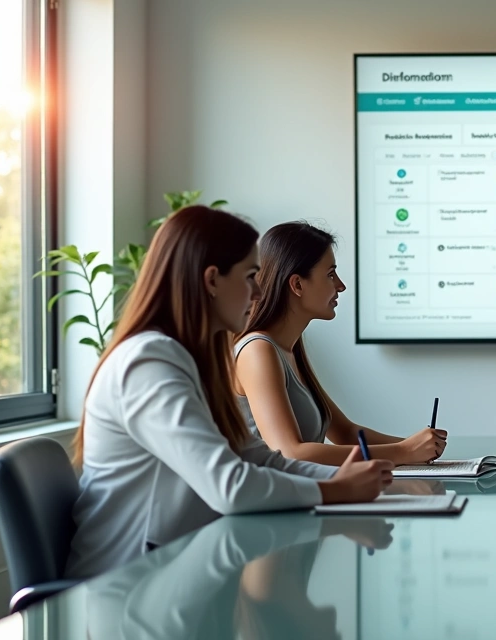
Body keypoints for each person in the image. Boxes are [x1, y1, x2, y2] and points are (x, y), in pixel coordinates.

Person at [66, 207, 393, 579]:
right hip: (126, 591)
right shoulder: (148, 364)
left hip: (172, 574)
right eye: (250, 276)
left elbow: (262, 460)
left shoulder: (190, 361)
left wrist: (348, 481)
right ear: (212, 281)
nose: (257, 292)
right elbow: (230, 487)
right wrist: (335, 490)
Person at [234, 222, 447, 467]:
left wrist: (419, 448)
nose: (341, 285)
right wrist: (403, 452)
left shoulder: (290, 350)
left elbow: (345, 433)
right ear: (297, 285)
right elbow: (291, 453)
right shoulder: (257, 351)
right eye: (330, 274)